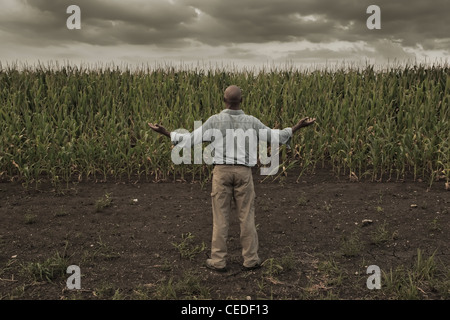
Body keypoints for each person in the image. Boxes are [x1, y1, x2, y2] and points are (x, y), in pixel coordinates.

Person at [148, 85, 315, 272]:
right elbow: (275, 136)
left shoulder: (215, 121)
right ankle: (251, 259)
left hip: (221, 172)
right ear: (241, 101)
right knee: (247, 216)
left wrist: (165, 133)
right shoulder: (251, 122)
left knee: (220, 218)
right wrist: (298, 126)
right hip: (244, 173)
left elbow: (191, 139)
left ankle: (218, 260)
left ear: (224, 100)